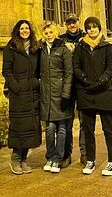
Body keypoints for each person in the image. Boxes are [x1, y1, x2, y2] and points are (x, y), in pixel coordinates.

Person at [73, 17, 112, 176]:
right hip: (85, 91)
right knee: (88, 129)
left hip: (104, 90)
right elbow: (76, 66)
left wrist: (101, 80)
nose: (92, 30)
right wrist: (85, 79)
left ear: (99, 28)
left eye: (94, 27)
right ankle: (90, 160)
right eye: (89, 27)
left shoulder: (107, 46)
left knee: (109, 128)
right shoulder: (81, 46)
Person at [2, 20, 42, 175]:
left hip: (32, 93)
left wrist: (36, 83)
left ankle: (23, 159)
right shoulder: (11, 48)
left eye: (27, 28)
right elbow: (6, 71)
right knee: (19, 126)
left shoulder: (35, 48)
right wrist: (16, 87)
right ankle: (15, 159)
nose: (25, 31)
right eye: (22, 28)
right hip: (18, 94)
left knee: (31, 127)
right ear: (17, 31)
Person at [39, 22, 73, 173]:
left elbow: (69, 73)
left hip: (60, 94)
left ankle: (58, 158)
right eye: (46, 33)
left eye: (51, 32)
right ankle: (50, 157)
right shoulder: (41, 49)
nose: (49, 35)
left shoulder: (63, 49)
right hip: (47, 94)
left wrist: (66, 94)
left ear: (56, 33)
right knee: (50, 128)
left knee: (62, 128)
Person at [59, 13, 85, 167]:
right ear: (65, 24)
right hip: (67, 86)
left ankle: (85, 153)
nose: (72, 25)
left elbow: (102, 45)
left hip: (82, 85)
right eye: (69, 23)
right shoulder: (61, 40)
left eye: (74, 22)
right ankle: (66, 154)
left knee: (84, 121)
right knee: (66, 122)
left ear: (78, 22)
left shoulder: (86, 37)